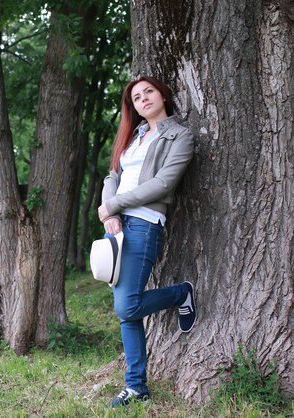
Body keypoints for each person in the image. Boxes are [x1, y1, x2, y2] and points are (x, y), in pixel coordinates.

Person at [98, 75, 197, 407]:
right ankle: (136, 386)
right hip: (116, 225)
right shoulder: (134, 137)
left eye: (148, 92)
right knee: (128, 313)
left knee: (127, 305)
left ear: (162, 95)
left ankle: (181, 293)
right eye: (136, 97)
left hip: (143, 223)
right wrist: (109, 213)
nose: (142, 99)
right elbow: (113, 176)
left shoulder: (180, 136)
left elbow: (163, 183)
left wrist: (115, 205)